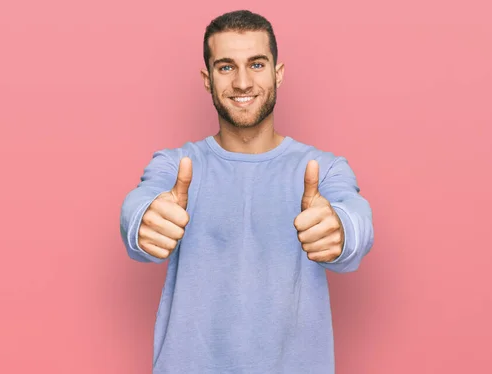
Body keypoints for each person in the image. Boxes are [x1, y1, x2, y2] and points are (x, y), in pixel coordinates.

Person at [120, 9, 374, 374]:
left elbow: (356, 218)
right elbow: (139, 205)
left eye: (256, 64)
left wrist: (342, 228)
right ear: (207, 79)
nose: (242, 83)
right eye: (226, 67)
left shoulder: (324, 169)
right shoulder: (176, 166)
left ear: (278, 73)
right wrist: (143, 221)